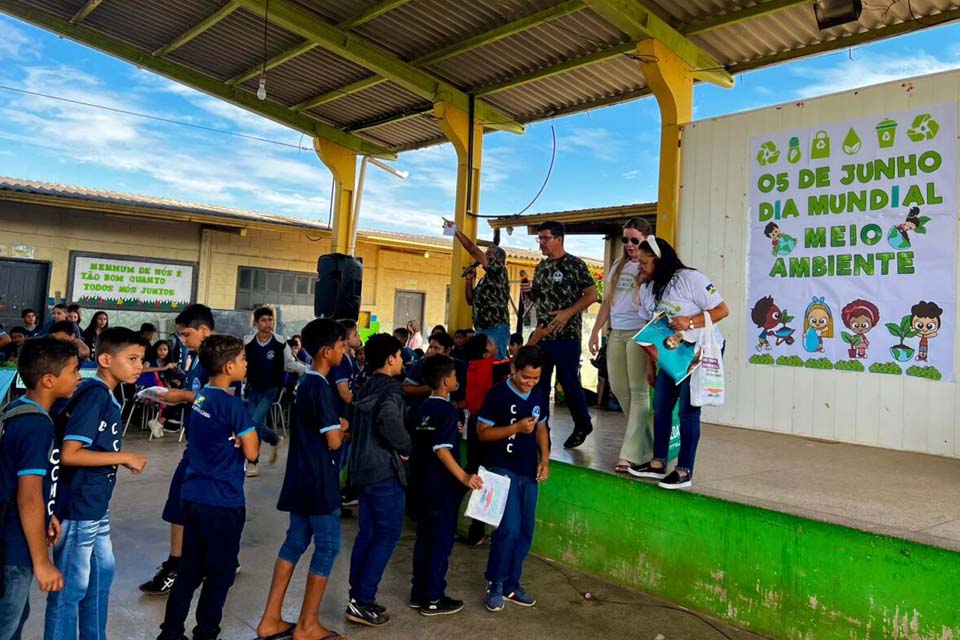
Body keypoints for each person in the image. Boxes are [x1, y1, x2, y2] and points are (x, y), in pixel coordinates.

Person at [45, 327, 149, 640]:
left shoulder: (105, 395)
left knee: (100, 579)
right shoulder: (95, 395)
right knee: (70, 590)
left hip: (96, 506)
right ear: (105, 360)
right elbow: (71, 453)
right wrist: (124, 456)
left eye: (141, 359)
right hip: (79, 507)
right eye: (132, 359)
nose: (139, 366)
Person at [156, 335, 259, 640]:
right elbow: (252, 452)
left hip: (193, 496)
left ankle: (171, 632)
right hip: (222, 501)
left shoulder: (202, 397)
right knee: (220, 573)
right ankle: (206, 632)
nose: (246, 364)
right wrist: (244, 437)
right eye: (242, 359)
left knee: (189, 570)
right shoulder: (232, 405)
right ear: (229, 366)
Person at [255, 319, 348, 640]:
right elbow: (333, 441)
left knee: (295, 541)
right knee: (328, 546)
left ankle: (270, 619)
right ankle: (307, 625)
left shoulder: (303, 382)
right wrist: (342, 427)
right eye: (341, 346)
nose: (344, 351)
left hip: (300, 476)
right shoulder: (320, 387)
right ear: (326, 351)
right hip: (320, 479)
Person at [628, 236, 728, 490]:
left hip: (699, 351)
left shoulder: (690, 279)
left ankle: (684, 470)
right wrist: (651, 365)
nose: (640, 267)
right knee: (661, 405)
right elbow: (651, 328)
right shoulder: (648, 288)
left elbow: (722, 311)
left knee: (687, 409)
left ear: (659, 260)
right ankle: (657, 463)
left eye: (644, 262)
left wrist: (690, 322)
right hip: (671, 355)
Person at [0, 338, 80, 640]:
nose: (78, 377)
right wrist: (43, 562)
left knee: (17, 616)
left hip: (14, 533)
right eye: (73, 371)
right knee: (7, 623)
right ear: (48, 380)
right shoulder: (37, 426)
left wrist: (49, 514)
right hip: (15, 546)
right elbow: (29, 497)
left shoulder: (18, 410)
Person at [139, 305, 214, 597]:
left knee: (181, 503)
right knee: (190, 504)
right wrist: (168, 398)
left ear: (204, 330)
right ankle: (219, 557)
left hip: (210, 449)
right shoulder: (198, 358)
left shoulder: (217, 360)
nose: (182, 340)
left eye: (186, 334)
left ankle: (177, 565)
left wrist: (180, 395)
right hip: (197, 444)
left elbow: (222, 399)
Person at [477, 346, 550, 612]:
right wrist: (515, 428)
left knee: (526, 530)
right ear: (513, 369)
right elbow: (483, 432)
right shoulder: (497, 394)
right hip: (501, 468)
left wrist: (545, 459)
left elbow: (541, 428)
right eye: (525, 377)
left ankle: (512, 583)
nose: (530, 383)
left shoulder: (539, 394)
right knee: (508, 528)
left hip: (528, 470)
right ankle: (495, 583)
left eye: (535, 378)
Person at [344, 333, 410, 627]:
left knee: (368, 533)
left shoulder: (365, 385)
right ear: (390, 359)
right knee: (387, 534)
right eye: (399, 355)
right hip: (384, 471)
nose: (402, 360)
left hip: (361, 469)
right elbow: (388, 421)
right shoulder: (392, 390)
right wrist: (406, 447)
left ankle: (357, 597)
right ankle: (363, 600)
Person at [409, 355, 483, 616]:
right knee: (440, 543)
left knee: (424, 540)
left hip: (421, 483)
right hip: (441, 487)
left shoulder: (420, 408)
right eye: (454, 375)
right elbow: (442, 450)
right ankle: (433, 597)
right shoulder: (448, 411)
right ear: (445, 382)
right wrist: (464, 477)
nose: (456, 379)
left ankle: (418, 592)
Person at [521, 221, 598, 449]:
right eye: (540, 239)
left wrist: (567, 313)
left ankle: (582, 424)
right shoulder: (541, 267)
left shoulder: (575, 264)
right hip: (543, 335)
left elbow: (591, 295)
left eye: (545, 238)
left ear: (559, 239)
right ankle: (541, 432)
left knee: (568, 381)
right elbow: (539, 298)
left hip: (567, 335)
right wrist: (529, 293)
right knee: (539, 384)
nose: (541, 243)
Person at [588, 218, 654, 473]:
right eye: (626, 239)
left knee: (639, 391)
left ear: (646, 240)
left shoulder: (650, 266)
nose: (629, 244)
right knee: (617, 387)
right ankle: (645, 447)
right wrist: (595, 332)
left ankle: (629, 453)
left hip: (640, 331)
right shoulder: (618, 265)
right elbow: (607, 302)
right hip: (617, 331)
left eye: (634, 240)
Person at [243, 306, 306, 477]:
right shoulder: (248, 343)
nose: (267, 323)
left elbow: (290, 363)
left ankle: (252, 462)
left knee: (253, 423)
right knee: (252, 423)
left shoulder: (280, 343)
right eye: (263, 320)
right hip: (253, 388)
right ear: (256, 323)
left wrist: (308, 370)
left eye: (270, 320)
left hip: (271, 389)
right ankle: (273, 440)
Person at [445, 218, 512, 359]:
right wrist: (469, 280)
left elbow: (473, 250)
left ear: (498, 259)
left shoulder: (500, 271)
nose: (484, 257)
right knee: (480, 363)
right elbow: (470, 300)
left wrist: (456, 231)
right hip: (481, 329)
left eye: (488, 255)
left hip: (496, 328)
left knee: (495, 365)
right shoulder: (485, 280)